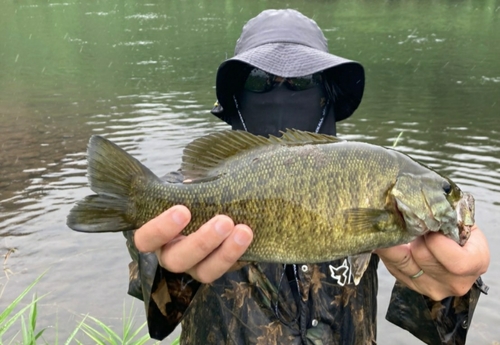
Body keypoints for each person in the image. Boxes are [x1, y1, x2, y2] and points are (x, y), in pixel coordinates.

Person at [124, 9, 490, 345]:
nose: (280, 93)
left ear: (325, 97)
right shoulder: (182, 193)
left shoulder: (362, 177)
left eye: (302, 81)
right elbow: (161, 317)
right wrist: (176, 272)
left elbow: (438, 330)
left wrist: (451, 285)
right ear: (236, 96)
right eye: (259, 79)